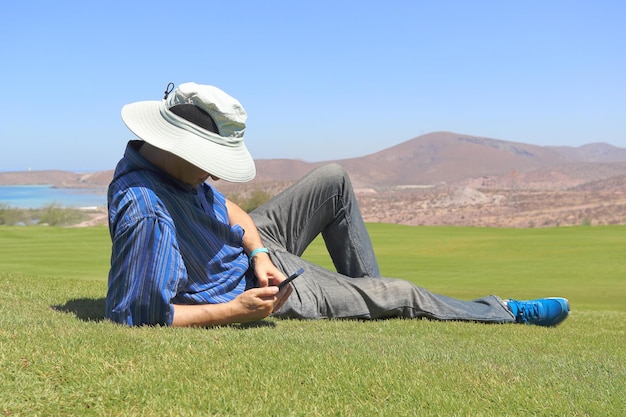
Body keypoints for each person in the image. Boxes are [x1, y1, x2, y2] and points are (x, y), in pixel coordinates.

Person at [106, 82, 570, 328]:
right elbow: (138, 317)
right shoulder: (149, 213)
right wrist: (239, 309)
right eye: (210, 162)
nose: (216, 174)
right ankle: (504, 311)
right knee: (403, 293)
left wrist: (260, 253)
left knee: (332, 178)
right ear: (181, 146)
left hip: (249, 259)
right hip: (243, 288)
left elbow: (231, 212)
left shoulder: (166, 166)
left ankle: (369, 299)